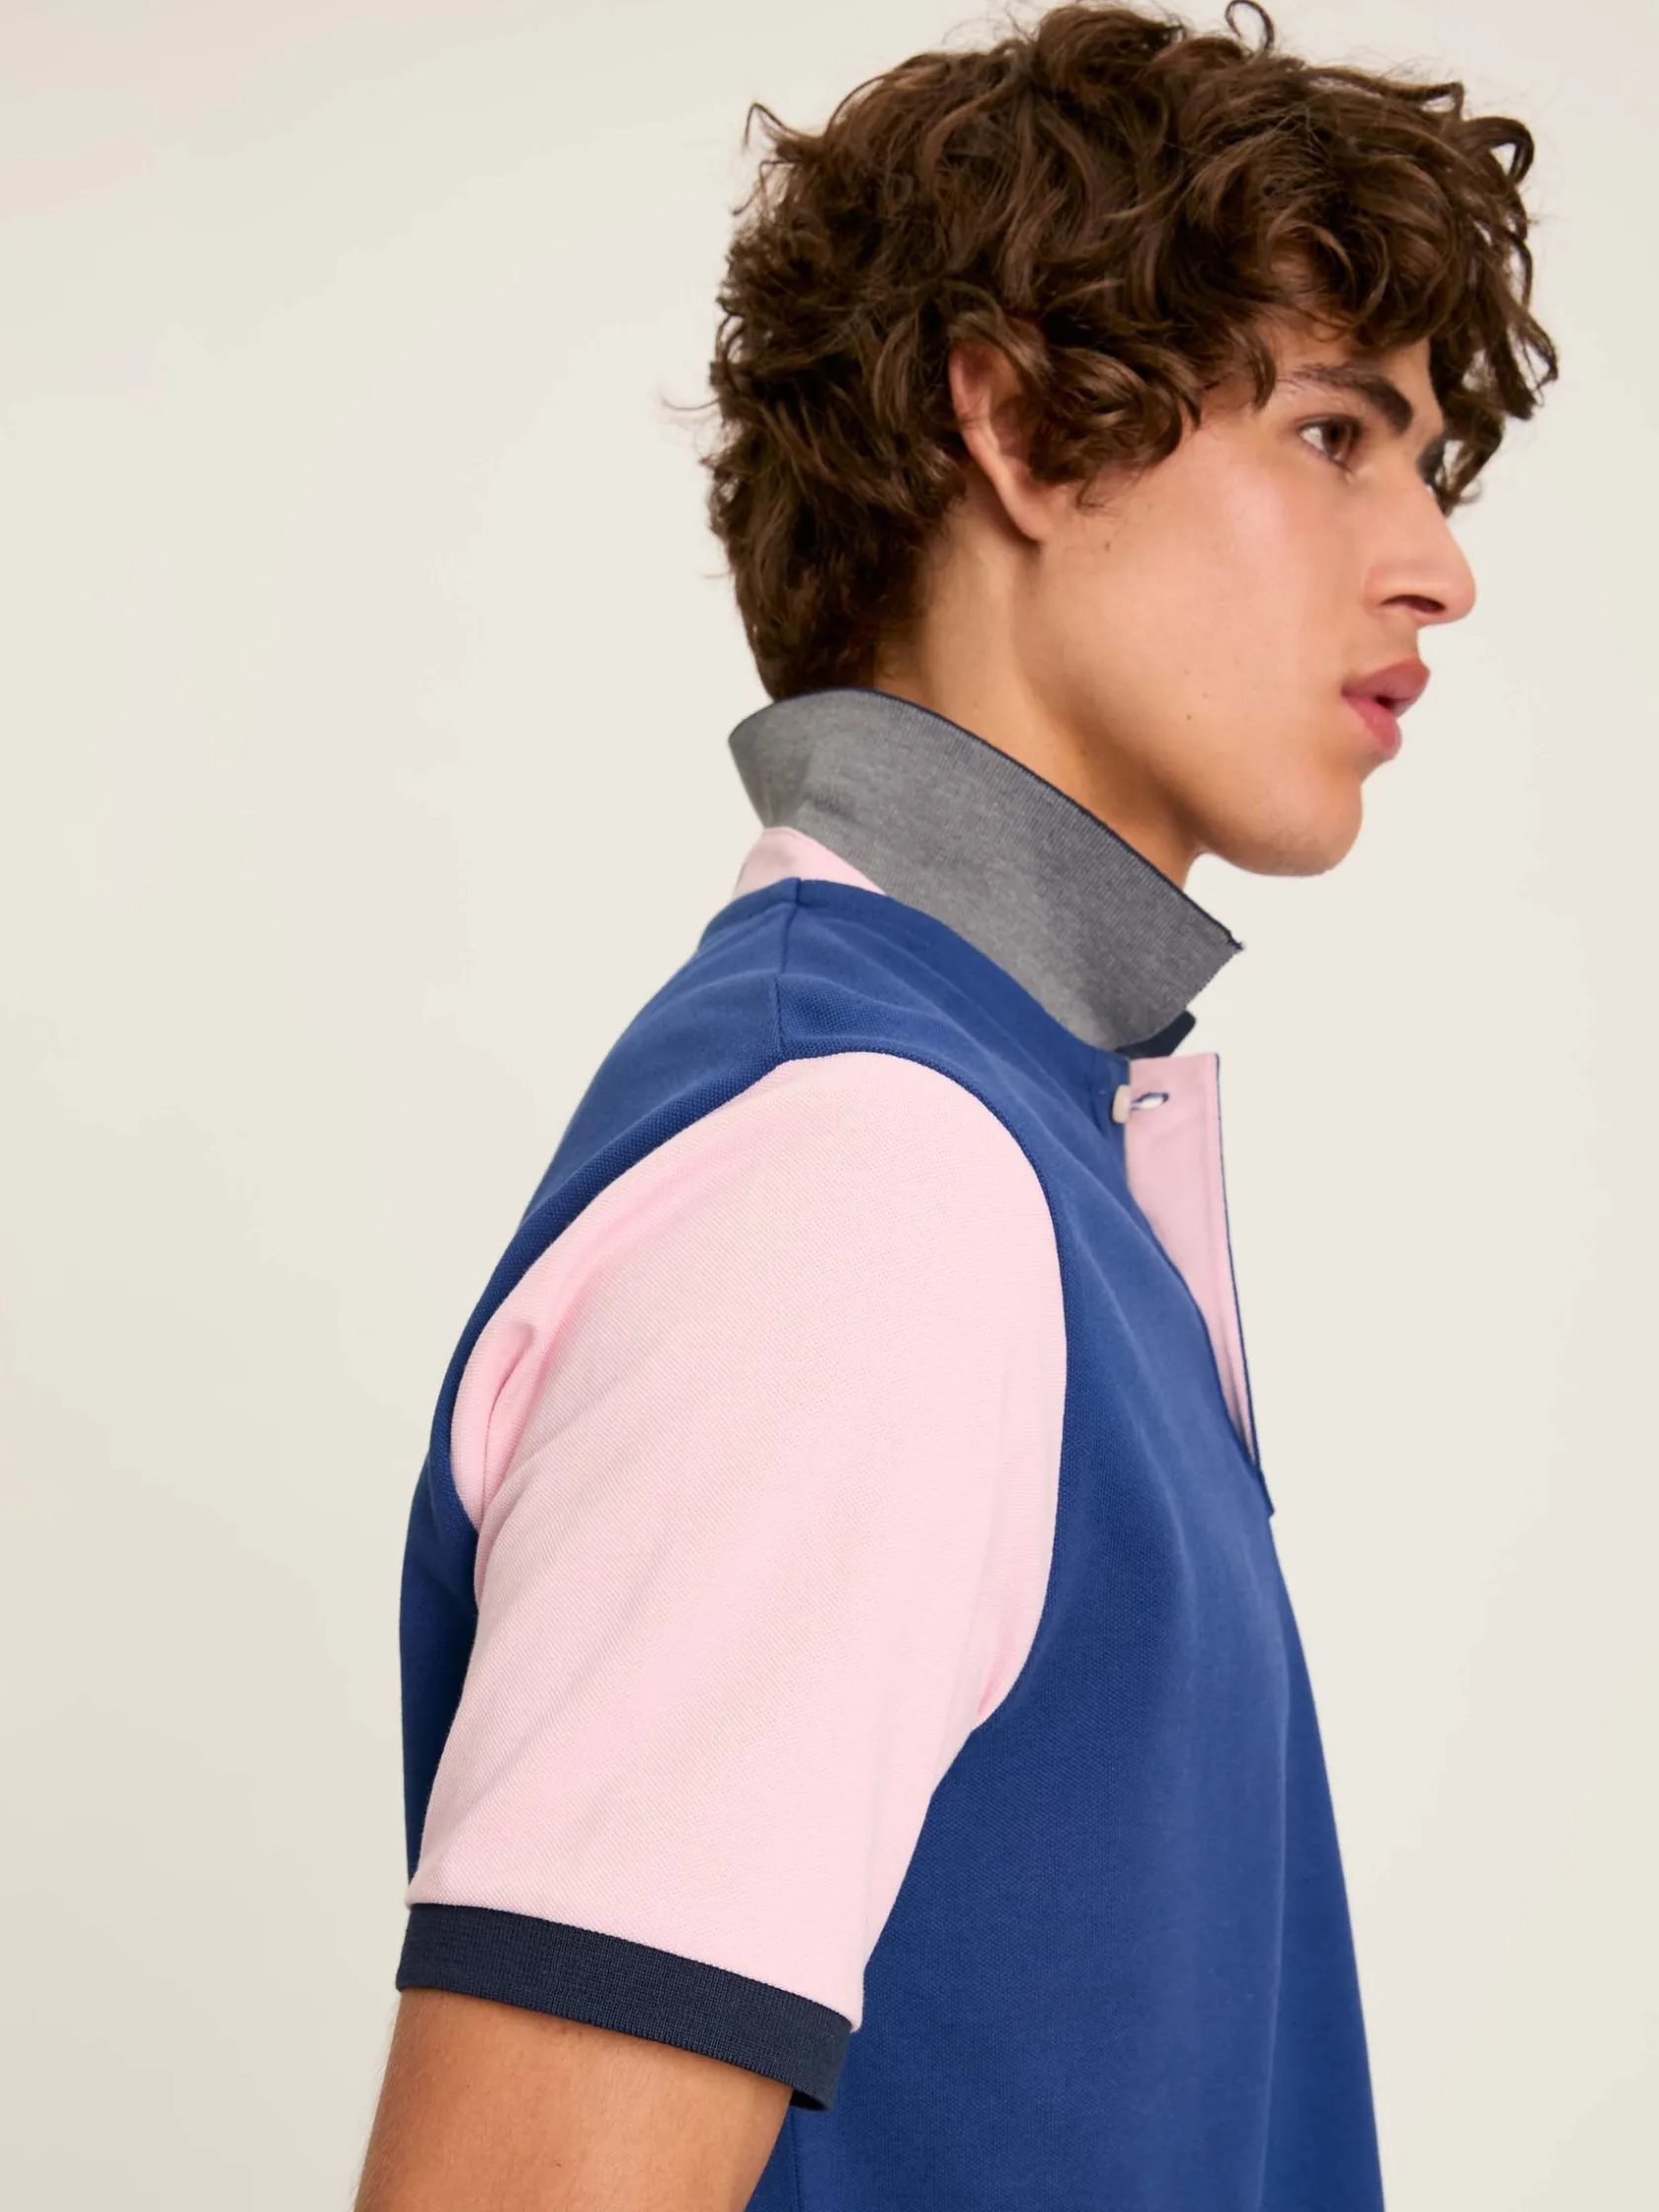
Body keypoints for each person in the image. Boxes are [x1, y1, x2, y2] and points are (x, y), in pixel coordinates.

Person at [354, 5, 1555, 2205]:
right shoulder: (865, 1187)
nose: (1437, 565)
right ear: (1013, 424)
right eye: (1331, 432)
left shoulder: (997, 1132)